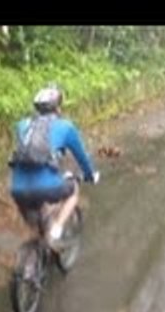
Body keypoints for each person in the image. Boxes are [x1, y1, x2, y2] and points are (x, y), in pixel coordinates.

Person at [9, 85, 99, 245]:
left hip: (17, 188)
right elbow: (82, 157)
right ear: (58, 107)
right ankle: (56, 229)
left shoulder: (22, 125)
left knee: (36, 220)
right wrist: (90, 174)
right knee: (73, 191)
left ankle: (37, 246)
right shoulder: (66, 127)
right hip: (47, 186)